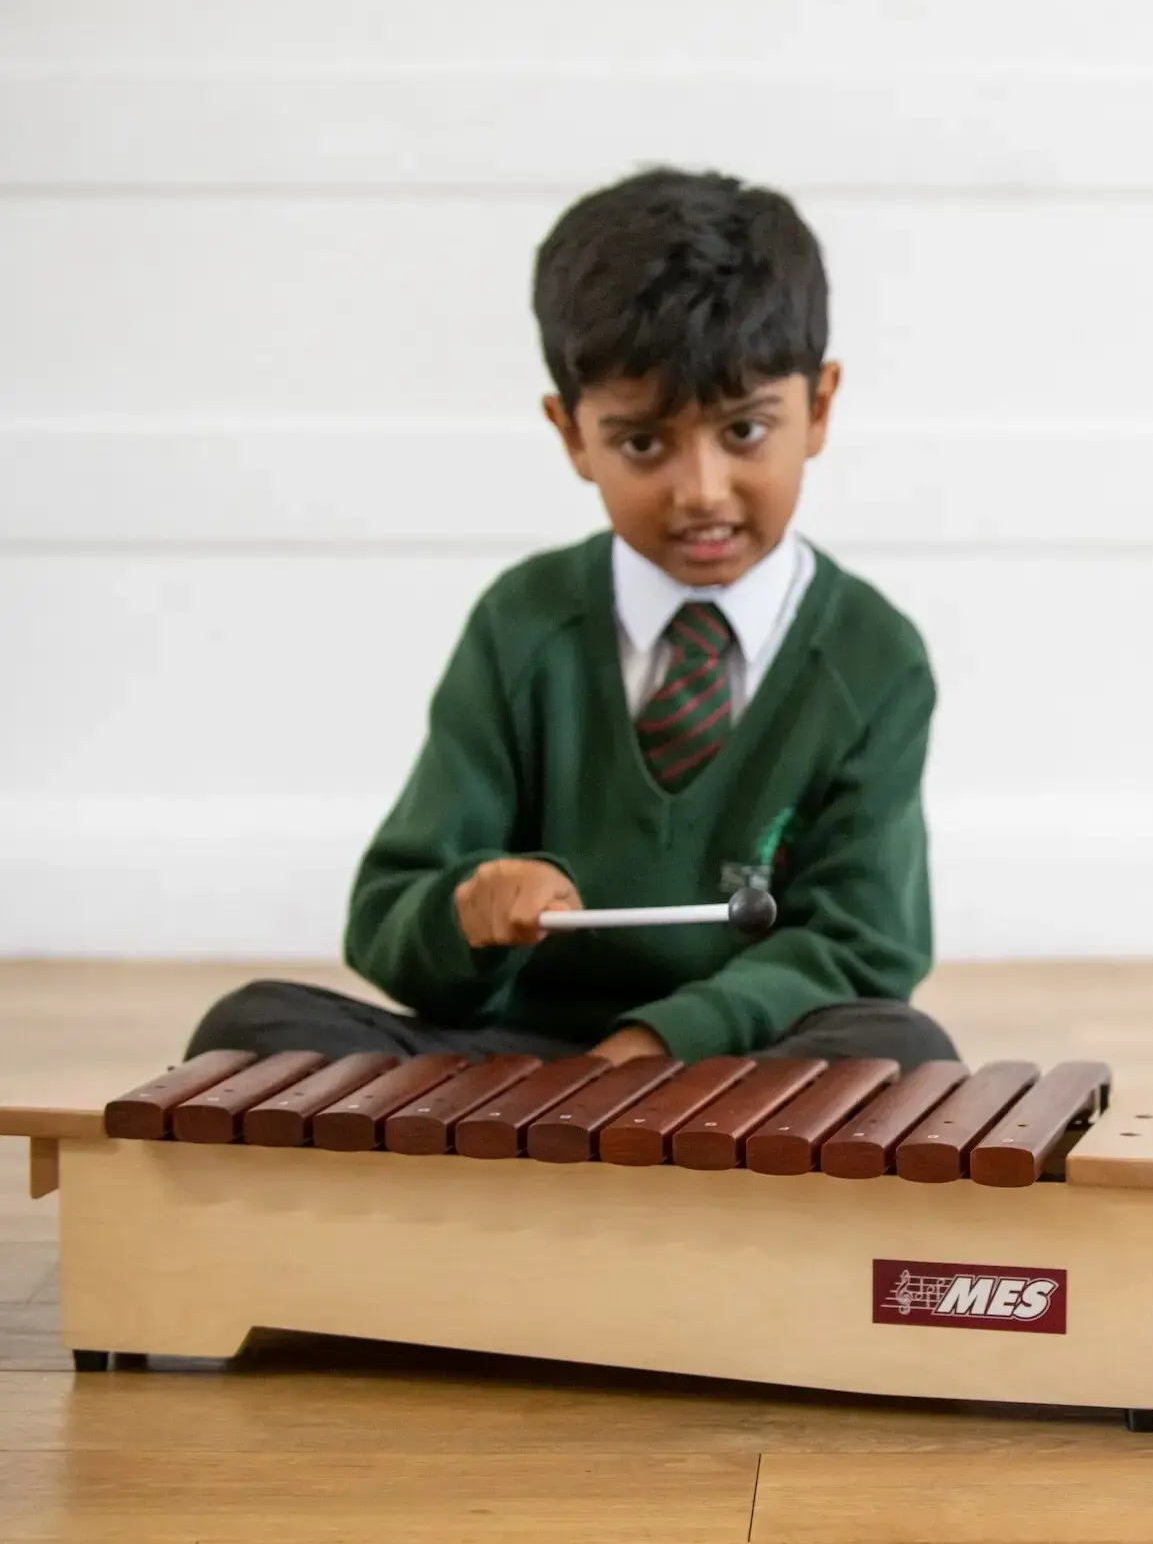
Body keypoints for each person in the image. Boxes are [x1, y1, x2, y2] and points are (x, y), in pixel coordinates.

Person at [188, 168, 953, 1071]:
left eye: (744, 432)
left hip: (734, 1062)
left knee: (899, 1050)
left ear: (819, 407)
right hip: (518, 1059)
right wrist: (467, 913)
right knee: (250, 1032)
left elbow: (865, 946)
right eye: (643, 443)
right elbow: (389, 914)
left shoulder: (873, 656)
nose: (702, 492)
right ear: (571, 435)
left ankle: (560, 1165)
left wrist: (656, 1044)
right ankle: (579, 1163)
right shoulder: (523, 624)